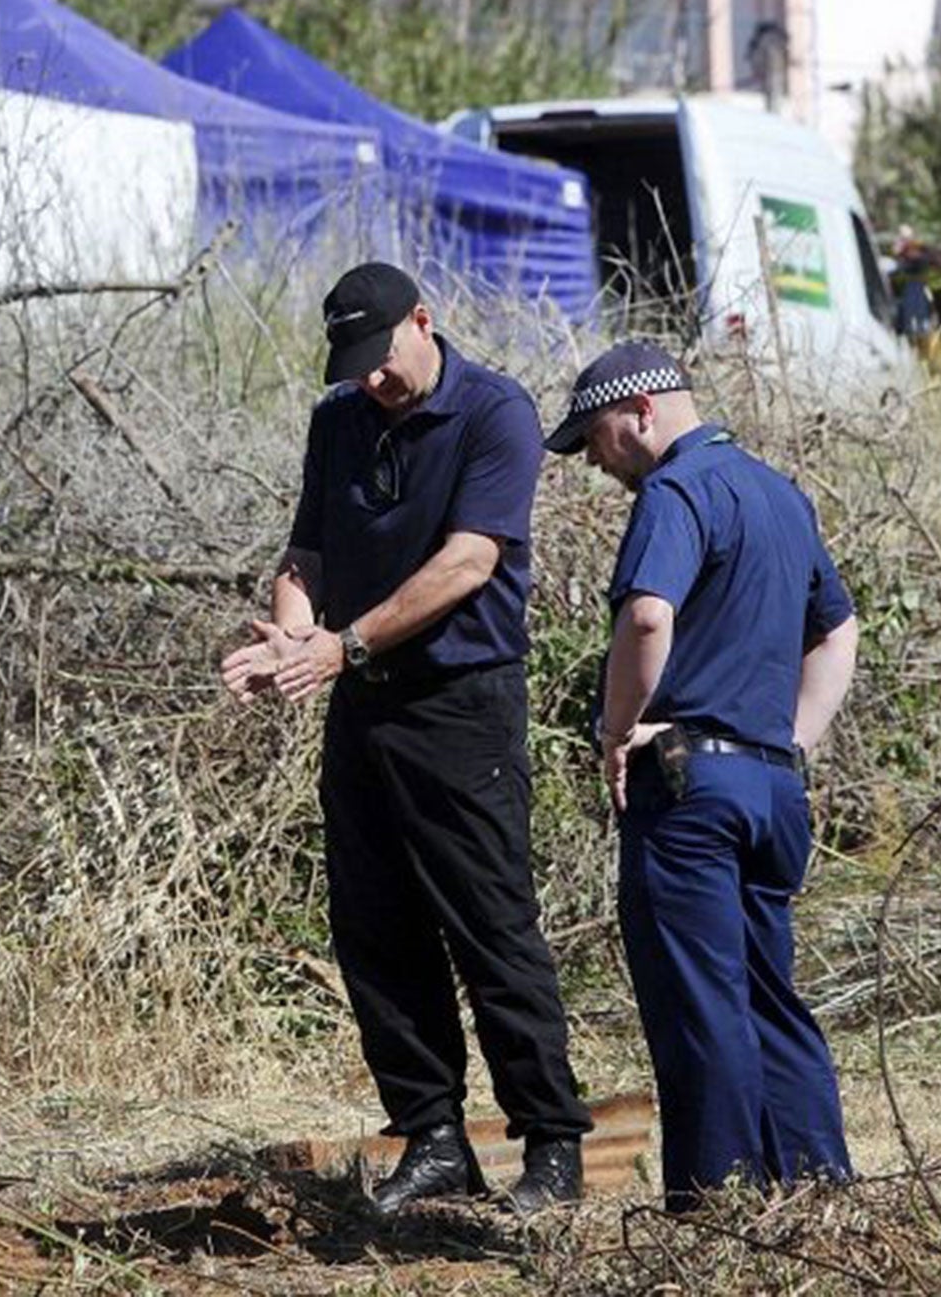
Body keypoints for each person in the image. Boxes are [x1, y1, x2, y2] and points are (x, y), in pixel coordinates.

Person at [220, 262, 592, 1218]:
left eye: (382, 361)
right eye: (355, 370)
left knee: (489, 921)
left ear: (424, 323)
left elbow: (470, 561)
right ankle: (431, 1134)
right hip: (363, 703)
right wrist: (294, 633)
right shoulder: (336, 418)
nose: (372, 383)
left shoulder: (494, 413)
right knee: (375, 929)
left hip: (462, 703)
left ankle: (551, 1143)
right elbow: (304, 553)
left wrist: (337, 646)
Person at [543, 341, 859, 1212]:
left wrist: (614, 731)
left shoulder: (675, 492)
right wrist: (789, 741)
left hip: (689, 791)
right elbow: (837, 631)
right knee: (770, 995)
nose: (595, 461)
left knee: (700, 1003)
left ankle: (717, 1212)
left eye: (596, 437)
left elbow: (648, 615)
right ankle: (819, 1194)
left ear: (641, 411)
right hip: (770, 789)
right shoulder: (780, 494)